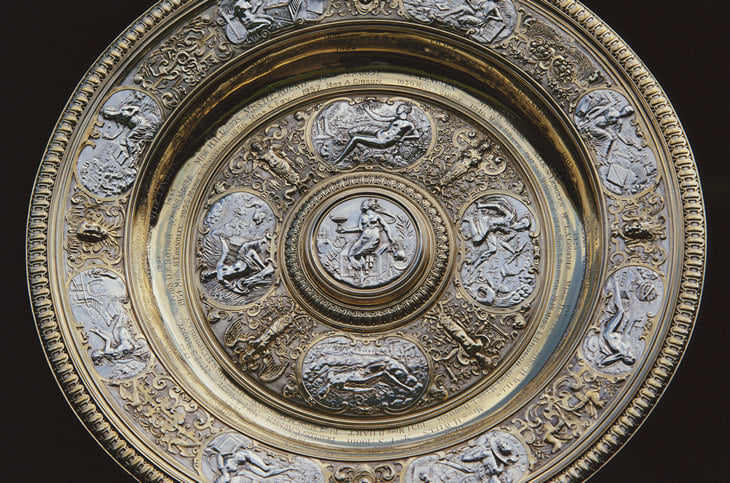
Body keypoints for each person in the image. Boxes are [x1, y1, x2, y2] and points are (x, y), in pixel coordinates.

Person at [333, 103, 420, 165]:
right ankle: (362, 148)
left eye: (400, 108)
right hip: (379, 132)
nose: (398, 109)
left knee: (356, 138)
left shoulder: (409, 124)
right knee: (354, 131)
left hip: (383, 141)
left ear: (405, 110)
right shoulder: (395, 118)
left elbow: (417, 135)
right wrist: (367, 110)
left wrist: (404, 138)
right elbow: (378, 118)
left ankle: (339, 159)